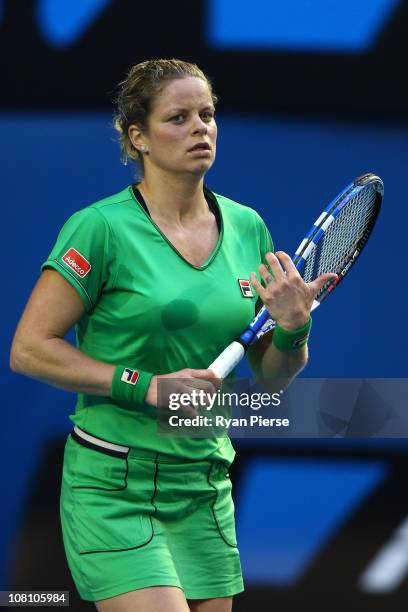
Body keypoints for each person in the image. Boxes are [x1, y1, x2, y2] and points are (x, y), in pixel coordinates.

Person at [9, 59, 335, 612]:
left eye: (207, 115)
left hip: (204, 482)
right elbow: (29, 349)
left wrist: (293, 328)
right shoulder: (100, 228)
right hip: (114, 485)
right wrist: (147, 386)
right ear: (138, 137)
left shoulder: (248, 227)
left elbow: (274, 378)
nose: (200, 128)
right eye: (178, 118)